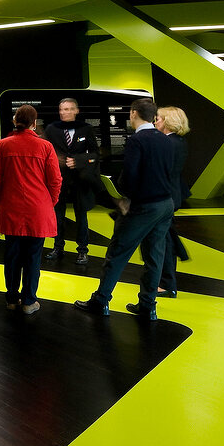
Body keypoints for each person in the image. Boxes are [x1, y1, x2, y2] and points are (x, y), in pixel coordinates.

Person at [75, 98, 175, 320]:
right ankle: (148, 306)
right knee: (154, 256)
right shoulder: (166, 140)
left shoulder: (136, 141)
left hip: (142, 207)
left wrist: (121, 198)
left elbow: (130, 177)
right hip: (165, 204)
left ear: (133, 114)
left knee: (117, 253)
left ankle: (101, 301)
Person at [0, 104, 63, 315]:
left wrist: (1, 200)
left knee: (12, 256)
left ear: (15, 121)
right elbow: (55, 180)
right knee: (33, 257)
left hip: (11, 209)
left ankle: (12, 299)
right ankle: (29, 301)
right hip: (38, 211)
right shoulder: (45, 147)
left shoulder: (2, 145)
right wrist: (50, 203)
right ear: (34, 123)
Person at [43, 98, 100, 265]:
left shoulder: (86, 129)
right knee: (57, 216)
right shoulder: (52, 129)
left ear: (76, 111)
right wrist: (56, 160)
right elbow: (46, 152)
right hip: (59, 180)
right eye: (62, 110)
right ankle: (57, 247)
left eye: (68, 109)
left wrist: (78, 160)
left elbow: (95, 154)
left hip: (80, 180)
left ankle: (82, 250)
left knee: (81, 216)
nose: (64, 113)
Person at [154, 106, 191, 298]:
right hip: (170, 196)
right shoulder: (178, 142)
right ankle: (167, 282)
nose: (155, 122)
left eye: (158, 119)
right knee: (166, 238)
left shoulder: (169, 144)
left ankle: (167, 284)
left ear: (168, 121)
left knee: (165, 242)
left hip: (165, 197)